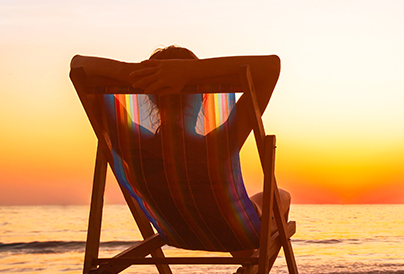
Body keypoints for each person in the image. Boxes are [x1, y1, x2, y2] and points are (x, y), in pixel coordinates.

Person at [71, 46, 290, 268]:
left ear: (150, 99)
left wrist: (133, 75)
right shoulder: (219, 146)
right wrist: (191, 71)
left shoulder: (131, 145)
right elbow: (271, 66)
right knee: (281, 197)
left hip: (177, 232)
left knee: (218, 213)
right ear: (201, 98)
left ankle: (251, 266)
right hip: (236, 232)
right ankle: (254, 268)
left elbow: (78, 65)